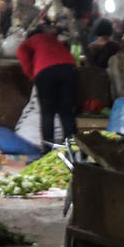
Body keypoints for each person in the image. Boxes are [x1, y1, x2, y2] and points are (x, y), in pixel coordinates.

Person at [17, 20, 78, 150]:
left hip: (45, 72)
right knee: (66, 113)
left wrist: (31, 75)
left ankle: (47, 150)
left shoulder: (31, 40)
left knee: (47, 113)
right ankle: (75, 151)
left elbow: (21, 52)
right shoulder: (54, 40)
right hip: (69, 69)